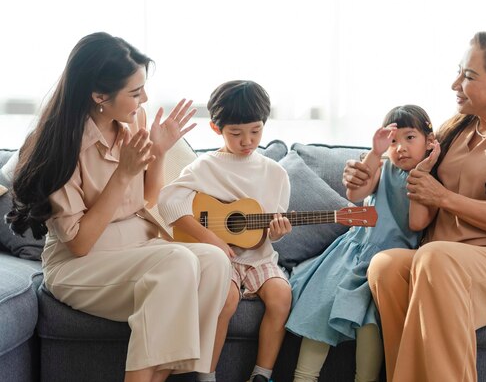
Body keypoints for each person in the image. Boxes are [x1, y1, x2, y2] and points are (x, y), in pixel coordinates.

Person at [343, 30, 486, 381]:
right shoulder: (456, 129)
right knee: (386, 265)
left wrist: (444, 197)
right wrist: (366, 172)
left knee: (436, 258)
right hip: (440, 261)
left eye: (468, 76)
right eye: (459, 72)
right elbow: (401, 162)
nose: (455, 84)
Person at [6, 32, 233, 382]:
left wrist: (158, 152)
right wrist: (123, 173)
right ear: (99, 96)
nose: (144, 99)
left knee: (214, 261)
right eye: (134, 92)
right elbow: (79, 244)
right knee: (177, 260)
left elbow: (148, 199)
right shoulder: (56, 144)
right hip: (82, 265)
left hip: (138, 248)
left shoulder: (133, 123)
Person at [287, 105, 439, 382]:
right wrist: (376, 152)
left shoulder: (430, 180)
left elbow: (417, 223)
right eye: (394, 140)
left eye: (410, 138)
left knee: (369, 323)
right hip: (355, 250)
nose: (401, 147)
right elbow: (355, 191)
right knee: (322, 305)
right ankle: (303, 377)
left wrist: (423, 171)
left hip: (391, 263)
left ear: (429, 141)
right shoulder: (383, 167)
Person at [158, 80, 293, 382]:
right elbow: (168, 201)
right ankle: (206, 375)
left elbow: (267, 231)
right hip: (221, 260)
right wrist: (211, 239)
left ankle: (262, 374)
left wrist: (278, 232)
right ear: (217, 129)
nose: (247, 141)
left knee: (282, 295)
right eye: (236, 133)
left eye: (255, 131)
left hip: (260, 259)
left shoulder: (276, 174)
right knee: (226, 299)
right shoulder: (205, 167)